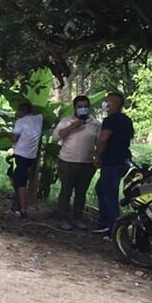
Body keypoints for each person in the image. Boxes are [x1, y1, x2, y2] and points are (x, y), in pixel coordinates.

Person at [53, 95, 100, 231]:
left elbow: (99, 142)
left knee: (81, 192)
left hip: (87, 163)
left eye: (85, 106)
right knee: (66, 191)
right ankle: (62, 218)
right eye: (80, 107)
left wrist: (97, 157)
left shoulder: (96, 124)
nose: (83, 109)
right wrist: (74, 125)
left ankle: (77, 219)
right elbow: (56, 136)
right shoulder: (66, 121)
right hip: (67, 162)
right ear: (75, 108)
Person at [93, 92, 134, 234]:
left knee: (109, 193)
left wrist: (97, 155)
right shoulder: (126, 120)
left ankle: (114, 228)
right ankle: (105, 221)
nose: (104, 103)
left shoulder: (110, 120)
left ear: (114, 104)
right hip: (122, 161)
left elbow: (103, 139)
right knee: (101, 188)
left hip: (112, 161)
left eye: (106, 101)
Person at [10, 102, 43, 218]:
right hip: (31, 156)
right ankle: (19, 204)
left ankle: (23, 209)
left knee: (20, 183)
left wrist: (17, 121)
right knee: (22, 180)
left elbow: (14, 138)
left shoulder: (20, 122)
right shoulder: (39, 119)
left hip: (21, 154)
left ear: (21, 111)